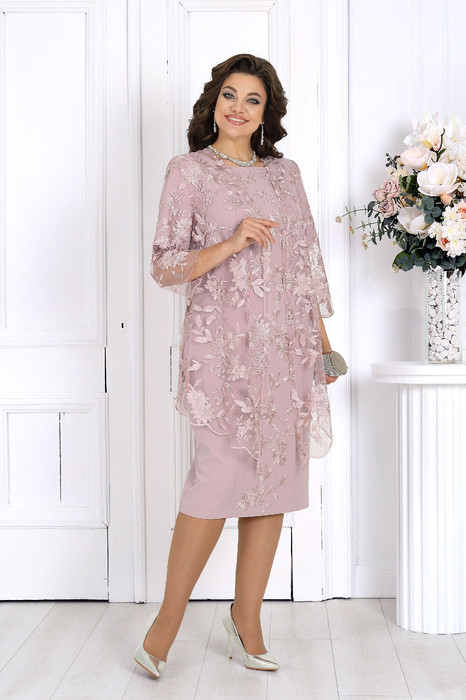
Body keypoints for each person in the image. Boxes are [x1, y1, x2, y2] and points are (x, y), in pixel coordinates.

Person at [133, 53, 338, 679]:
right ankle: (166, 625)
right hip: (220, 351)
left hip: (285, 351)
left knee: (274, 482)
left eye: (253, 99)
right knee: (214, 482)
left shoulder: (286, 174)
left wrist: (322, 346)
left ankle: (246, 622)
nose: (239, 108)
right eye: (230, 95)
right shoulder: (188, 171)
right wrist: (232, 240)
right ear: (213, 102)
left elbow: (304, 263)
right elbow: (165, 264)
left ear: (267, 112)